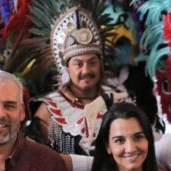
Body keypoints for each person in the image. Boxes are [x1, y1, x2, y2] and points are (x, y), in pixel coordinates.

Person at [31, 28, 127, 157]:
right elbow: (38, 159)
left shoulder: (119, 99)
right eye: (78, 64)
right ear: (66, 69)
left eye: (92, 63)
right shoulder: (48, 110)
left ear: (100, 66)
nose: (86, 70)